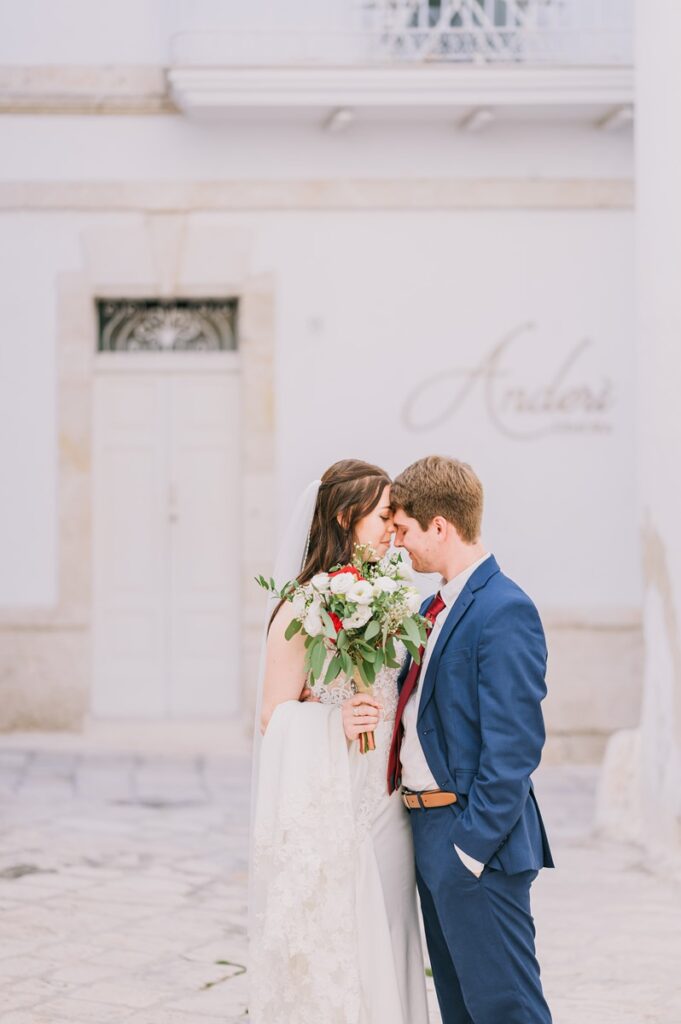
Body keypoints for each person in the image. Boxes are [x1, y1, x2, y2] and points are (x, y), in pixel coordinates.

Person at [249, 459, 429, 1024]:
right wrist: (334, 723)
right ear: (346, 517)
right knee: (348, 935)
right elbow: (270, 717)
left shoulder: (390, 594)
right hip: (337, 798)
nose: (393, 527)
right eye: (383, 515)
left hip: (388, 799)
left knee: (394, 930)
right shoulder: (302, 606)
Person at [389, 454, 555, 1024]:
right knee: (461, 1011)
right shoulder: (433, 606)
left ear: (440, 526)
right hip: (428, 830)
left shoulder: (504, 608)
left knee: (507, 1010)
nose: (398, 545)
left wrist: (470, 849)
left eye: (404, 530)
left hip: (472, 839)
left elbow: (514, 747)